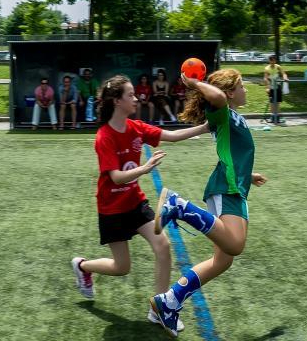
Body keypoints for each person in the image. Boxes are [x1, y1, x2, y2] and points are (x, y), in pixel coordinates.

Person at [70, 75, 210, 332]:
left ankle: (159, 308)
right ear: (116, 101)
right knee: (122, 267)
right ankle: (82, 266)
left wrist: (203, 128)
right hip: (111, 208)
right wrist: (145, 169)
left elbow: (170, 135)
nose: (136, 98)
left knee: (163, 245)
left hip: (134, 202)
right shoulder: (104, 137)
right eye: (130, 95)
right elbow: (116, 176)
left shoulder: (136, 127)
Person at [149, 69, 268, 337]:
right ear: (228, 93)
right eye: (241, 86)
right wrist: (193, 82)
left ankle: (169, 302)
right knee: (235, 245)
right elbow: (216, 97)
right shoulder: (222, 111)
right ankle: (179, 206)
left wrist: (249, 175)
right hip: (226, 187)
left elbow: (231, 152)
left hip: (234, 185)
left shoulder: (232, 117)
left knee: (222, 260)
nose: (246, 90)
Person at [263, 55, 288, 124]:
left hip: (278, 86)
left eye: (274, 60)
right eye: (271, 61)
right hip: (271, 87)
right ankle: (272, 117)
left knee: (277, 102)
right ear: (269, 61)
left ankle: (277, 117)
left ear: (275, 61)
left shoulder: (278, 67)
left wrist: (285, 77)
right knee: (272, 102)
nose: (273, 62)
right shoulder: (267, 68)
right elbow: (265, 78)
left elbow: (283, 74)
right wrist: (267, 88)